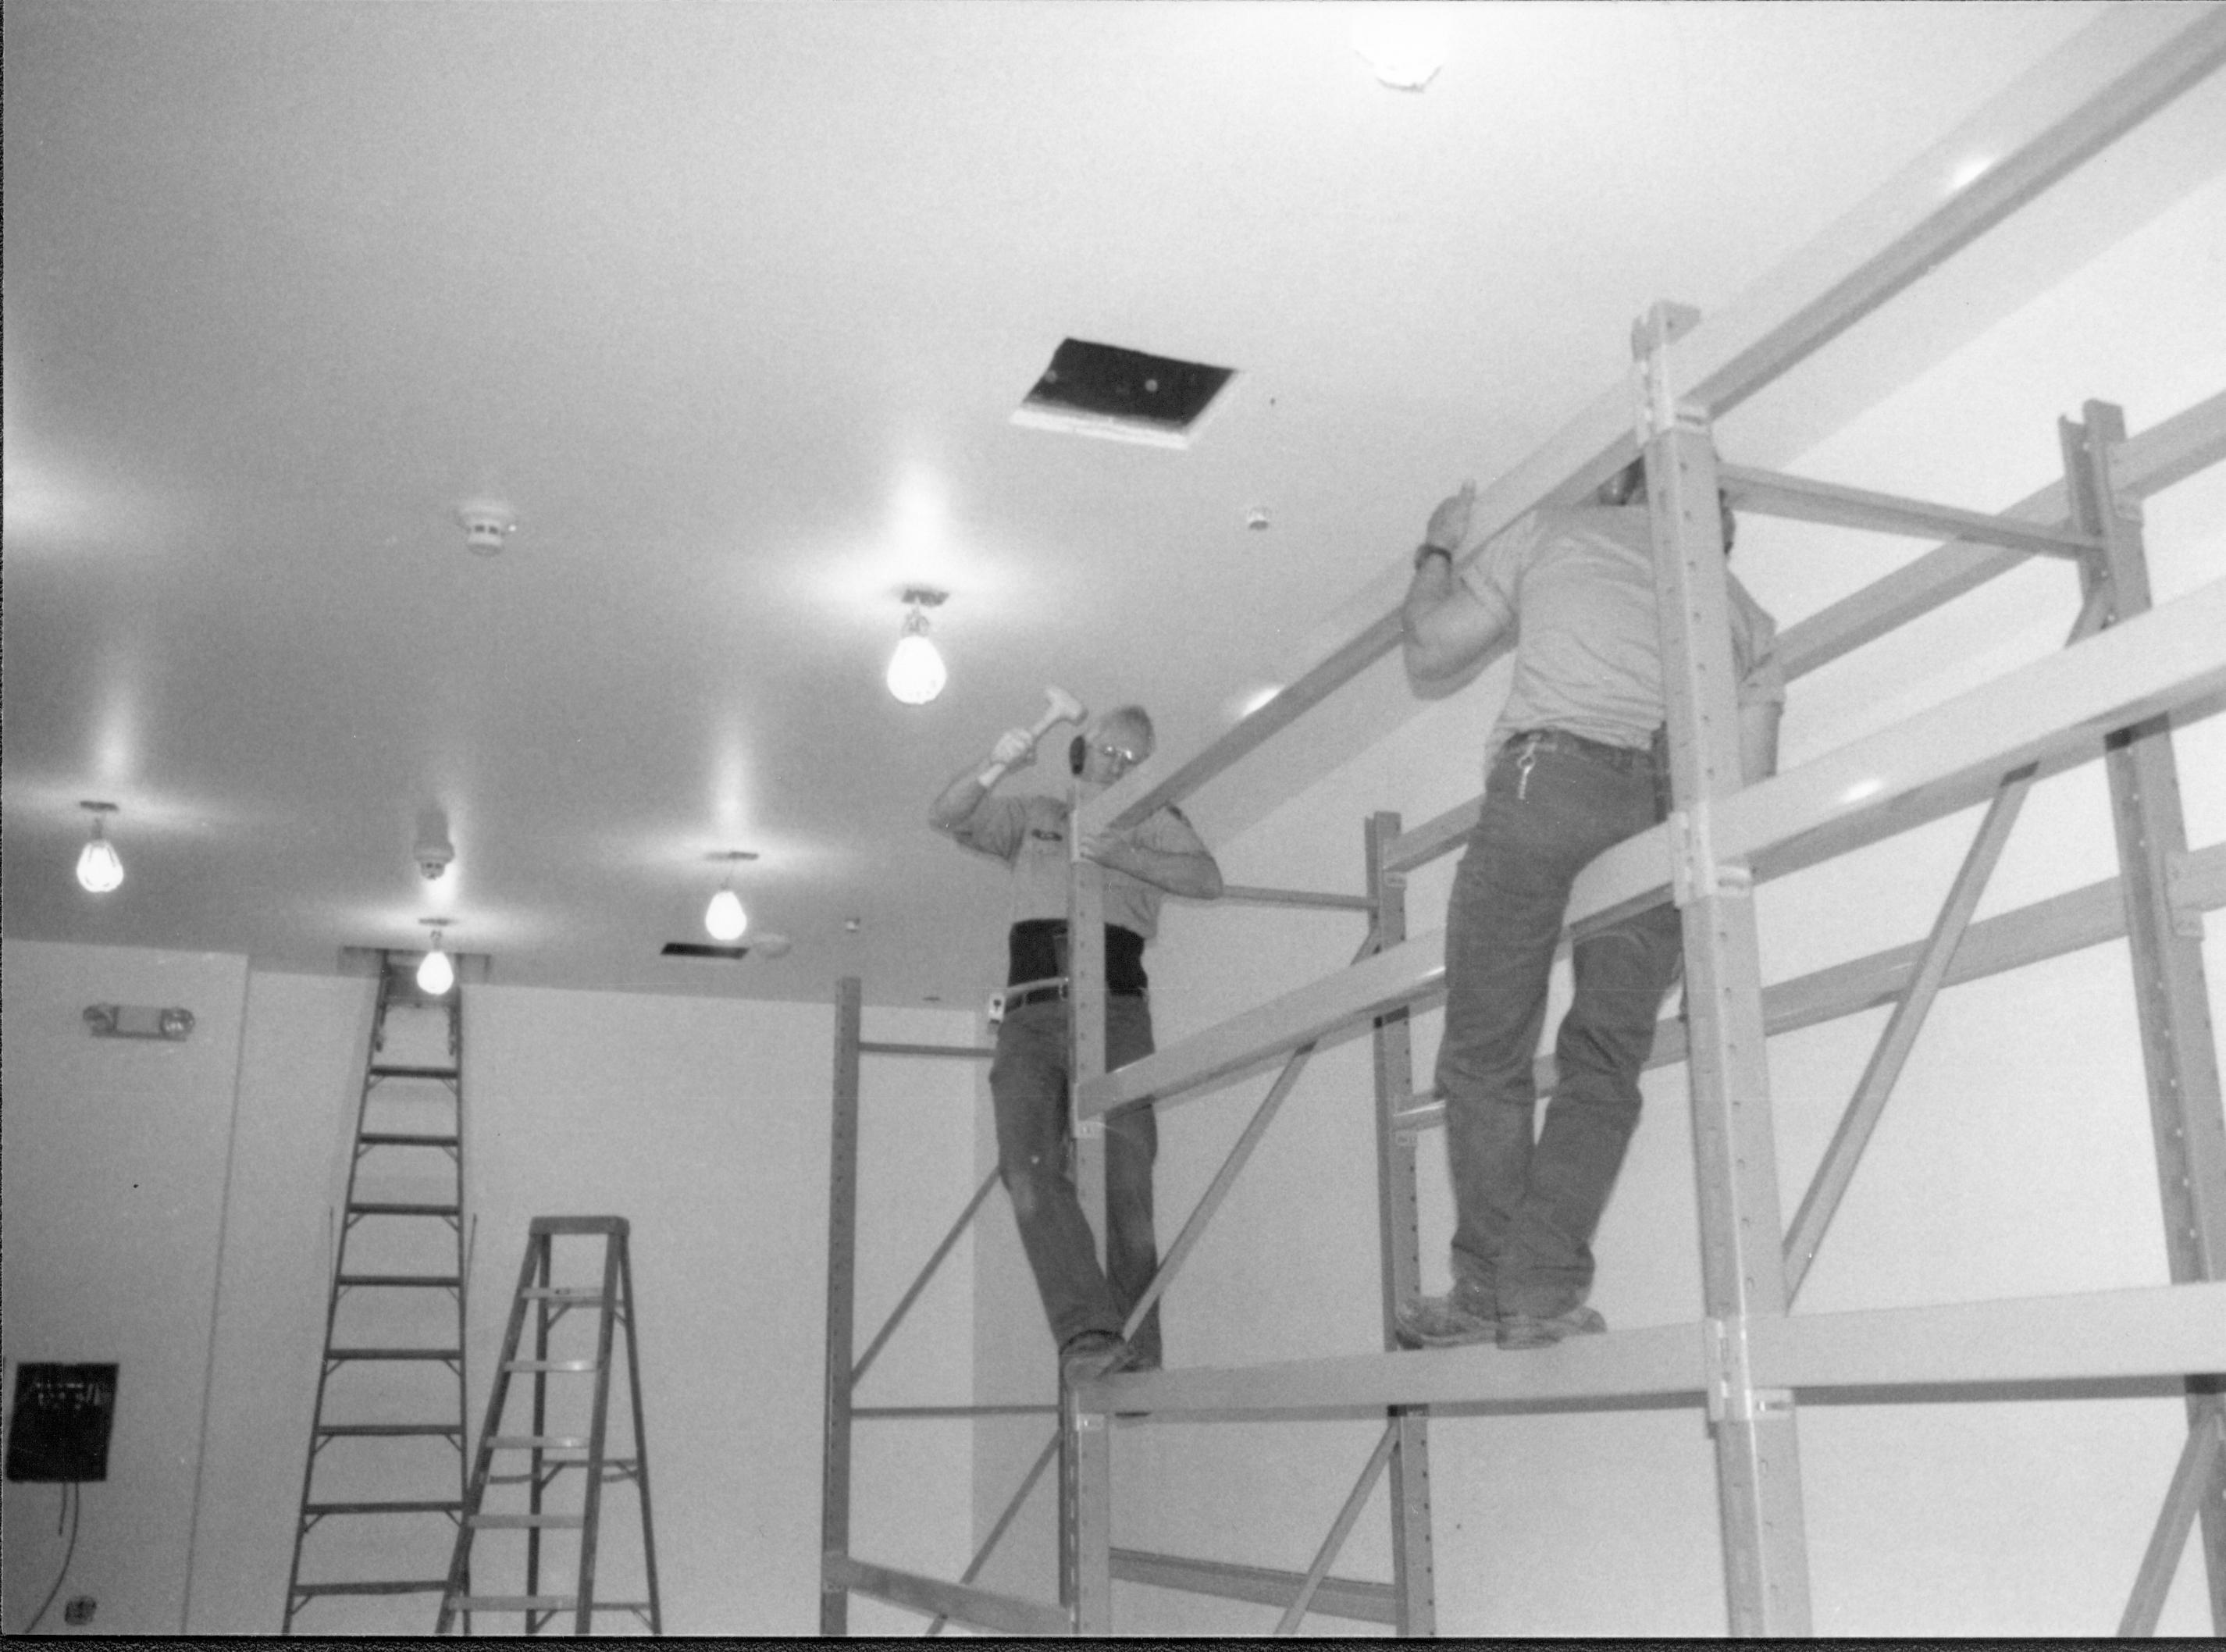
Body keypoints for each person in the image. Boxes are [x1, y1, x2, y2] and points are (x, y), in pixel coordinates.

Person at [1394, 460, 1783, 1351]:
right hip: (1665, 814)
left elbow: (1430, 649)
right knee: (1603, 1062)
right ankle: (1535, 1291)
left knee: (1484, 1051)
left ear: (1625, 490)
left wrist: (1439, 547)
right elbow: (1747, 794)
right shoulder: (1748, 617)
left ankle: (1492, 1283)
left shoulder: (1558, 530)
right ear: (1712, 523)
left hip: (1551, 781)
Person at [929, 703, 1223, 1386]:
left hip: (1117, 1009)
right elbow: (948, 812)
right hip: (1033, 1011)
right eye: (1110, 752)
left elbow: (1208, 880)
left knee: (1127, 1181)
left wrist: (1122, 851)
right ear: (1080, 748)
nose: (1118, 767)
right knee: (1028, 1169)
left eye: (1132, 760)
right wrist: (997, 759)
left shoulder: (1150, 815)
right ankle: (1088, 1333)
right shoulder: (1036, 813)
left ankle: (1139, 1354)